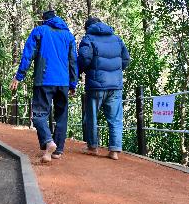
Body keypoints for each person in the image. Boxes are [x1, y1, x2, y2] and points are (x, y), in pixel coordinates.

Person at [10, 10, 78, 163]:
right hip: (63, 82)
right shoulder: (68, 35)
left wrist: (19, 76)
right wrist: (73, 83)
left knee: (39, 115)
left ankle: (49, 141)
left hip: (44, 79)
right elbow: (73, 61)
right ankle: (57, 151)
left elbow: (28, 54)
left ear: (44, 19)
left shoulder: (39, 31)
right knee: (62, 116)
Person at [78, 17, 130, 160]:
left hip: (95, 85)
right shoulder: (116, 39)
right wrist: (115, 71)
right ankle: (114, 151)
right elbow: (126, 59)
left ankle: (92, 147)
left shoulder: (88, 38)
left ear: (88, 27)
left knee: (91, 117)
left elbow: (84, 58)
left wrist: (79, 72)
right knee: (115, 119)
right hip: (115, 85)